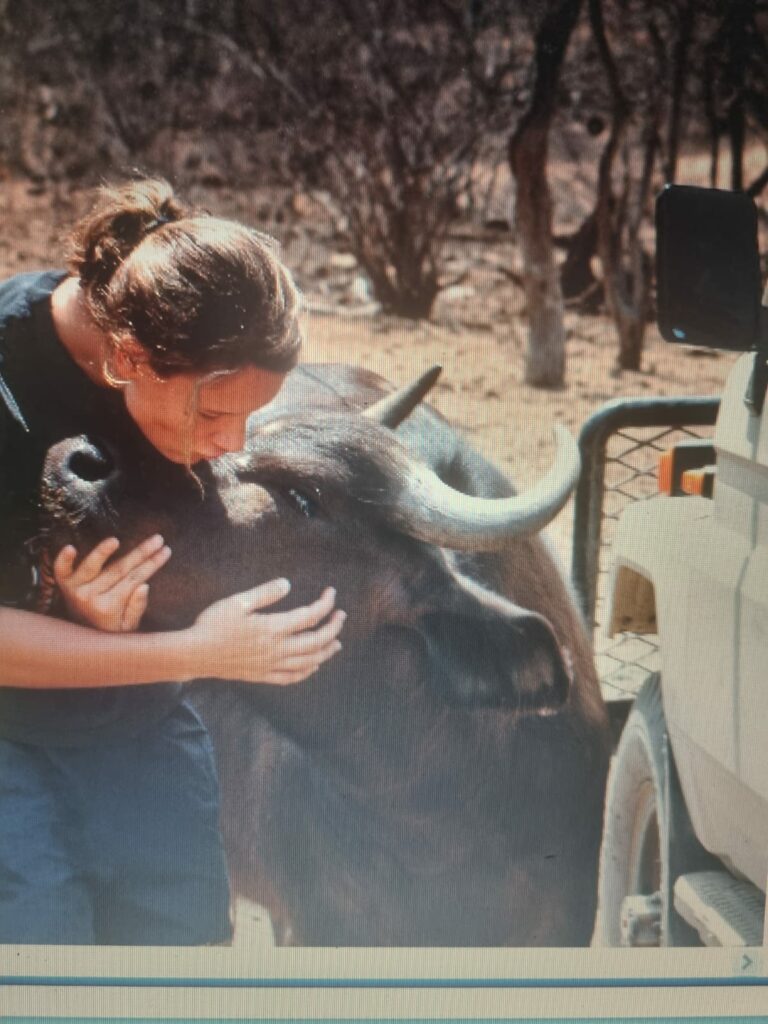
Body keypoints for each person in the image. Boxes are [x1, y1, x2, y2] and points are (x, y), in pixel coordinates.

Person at [0, 176, 345, 945]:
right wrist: (197, 650)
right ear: (127, 356)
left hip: (143, 735)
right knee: (40, 977)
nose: (233, 445)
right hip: (10, 745)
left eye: (253, 416)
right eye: (216, 414)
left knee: (181, 977)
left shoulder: (195, 355)